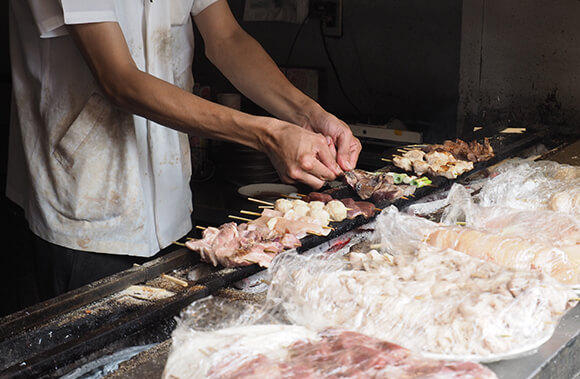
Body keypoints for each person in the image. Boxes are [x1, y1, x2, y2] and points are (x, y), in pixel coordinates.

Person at [7, 0, 361, 299]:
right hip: (87, 214)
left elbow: (226, 38)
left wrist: (307, 114)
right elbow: (119, 80)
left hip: (170, 204)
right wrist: (268, 133)